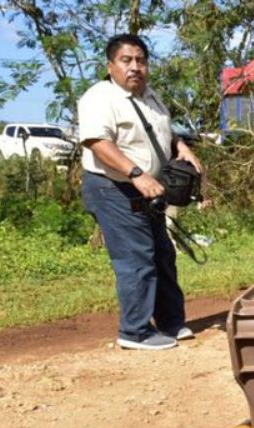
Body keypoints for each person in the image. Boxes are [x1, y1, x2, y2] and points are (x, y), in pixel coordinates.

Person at [78, 34, 204, 350]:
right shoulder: (99, 98)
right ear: (110, 66)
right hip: (114, 187)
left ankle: (170, 322)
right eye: (126, 60)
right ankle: (134, 331)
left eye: (141, 60)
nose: (135, 67)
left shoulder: (151, 97)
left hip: (148, 190)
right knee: (136, 256)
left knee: (162, 253)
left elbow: (162, 131)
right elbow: (97, 142)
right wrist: (136, 174)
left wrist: (181, 147)